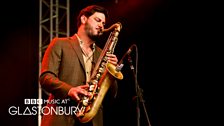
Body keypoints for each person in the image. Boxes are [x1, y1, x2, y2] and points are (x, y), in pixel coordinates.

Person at [39, 5, 119, 126]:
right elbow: (45, 77)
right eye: (98, 20)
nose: (102, 26)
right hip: (62, 117)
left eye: (103, 23)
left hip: (92, 120)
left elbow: (112, 94)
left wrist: (112, 69)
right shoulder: (60, 43)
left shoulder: (102, 54)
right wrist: (69, 90)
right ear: (83, 19)